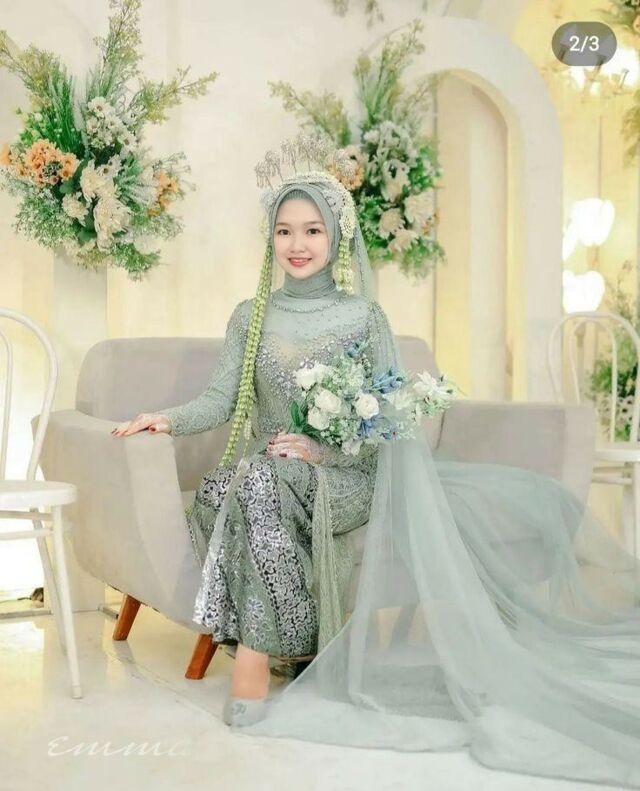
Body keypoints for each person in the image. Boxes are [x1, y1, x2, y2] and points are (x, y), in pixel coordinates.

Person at [113, 149, 640, 788]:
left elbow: (386, 420)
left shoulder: (364, 317)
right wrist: (163, 419)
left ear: (337, 236)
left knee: (252, 482)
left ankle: (253, 660)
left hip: (347, 475)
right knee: (234, 483)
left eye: (312, 230)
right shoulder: (250, 316)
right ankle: (295, 642)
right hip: (271, 472)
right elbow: (221, 399)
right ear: (270, 238)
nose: (297, 245)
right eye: (285, 231)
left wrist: (323, 450)